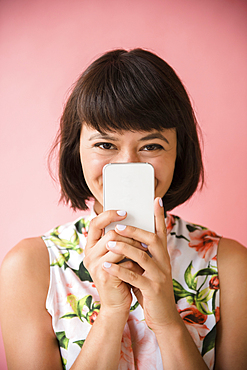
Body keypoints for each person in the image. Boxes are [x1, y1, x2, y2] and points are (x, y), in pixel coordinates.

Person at [0, 48, 246, 370]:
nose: (128, 164)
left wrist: (168, 322)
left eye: (151, 146)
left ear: (178, 153)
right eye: (106, 145)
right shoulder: (30, 268)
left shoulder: (229, 266)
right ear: (77, 150)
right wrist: (112, 314)